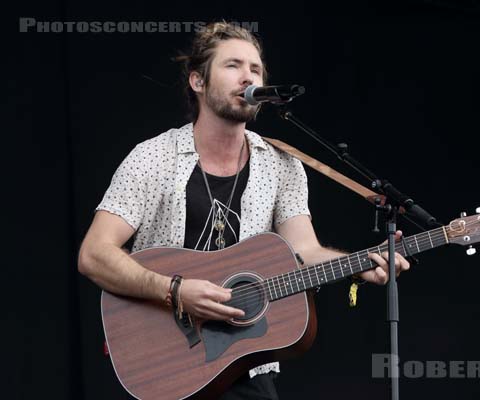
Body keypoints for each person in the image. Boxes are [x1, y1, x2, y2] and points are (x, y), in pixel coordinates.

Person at [77, 21, 410, 400]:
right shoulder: (153, 158)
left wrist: (359, 261)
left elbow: (303, 251)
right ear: (198, 82)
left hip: (244, 366)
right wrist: (175, 290)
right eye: (233, 65)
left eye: (255, 69)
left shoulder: (283, 165)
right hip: (164, 362)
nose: (247, 76)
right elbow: (94, 254)